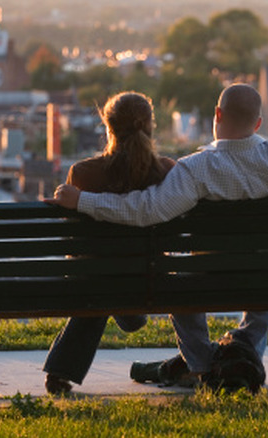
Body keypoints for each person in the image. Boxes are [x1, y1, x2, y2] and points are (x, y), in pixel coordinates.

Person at [47, 83, 268, 388]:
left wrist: (84, 202)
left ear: (217, 116)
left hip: (206, 284)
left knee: (179, 287)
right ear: (259, 123)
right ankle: (241, 352)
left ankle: (204, 366)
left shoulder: (194, 169)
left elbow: (145, 210)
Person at [43, 91, 176, 394]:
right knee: (115, 280)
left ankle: (61, 372)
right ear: (150, 125)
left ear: (108, 127)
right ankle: (129, 310)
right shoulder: (167, 172)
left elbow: (73, 242)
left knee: (100, 280)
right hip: (152, 280)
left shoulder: (84, 174)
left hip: (97, 281)